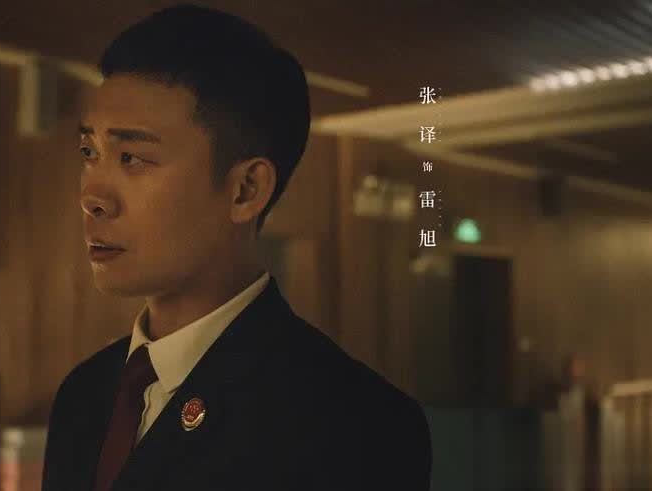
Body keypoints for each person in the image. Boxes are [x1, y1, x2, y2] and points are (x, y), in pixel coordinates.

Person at [41, 4, 432, 490]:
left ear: (246, 190)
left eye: (132, 158)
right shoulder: (85, 394)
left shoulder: (353, 422)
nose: (92, 196)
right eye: (89, 153)